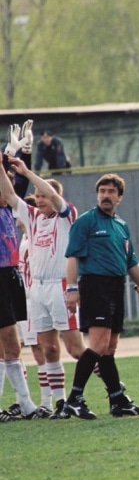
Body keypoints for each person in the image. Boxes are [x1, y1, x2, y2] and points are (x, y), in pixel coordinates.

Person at [61, 173, 139, 419]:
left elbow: (131, 262)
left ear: (119, 197)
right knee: (99, 345)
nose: (106, 195)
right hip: (95, 285)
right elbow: (72, 256)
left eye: (111, 191)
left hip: (116, 286)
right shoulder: (86, 222)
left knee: (109, 348)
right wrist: (72, 289)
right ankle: (74, 398)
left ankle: (117, 400)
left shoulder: (121, 226)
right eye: (102, 191)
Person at [0, 156, 77, 419]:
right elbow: (10, 195)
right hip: (37, 290)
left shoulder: (66, 216)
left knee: (75, 348)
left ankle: (108, 388)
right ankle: (56, 402)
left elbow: (54, 196)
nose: (40, 199)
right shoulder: (33, 218)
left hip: (60, 285)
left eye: (43, 196)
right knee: (48, 349)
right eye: (37, 197)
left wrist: (28, 172)